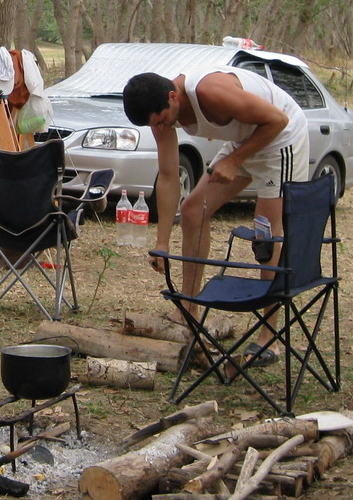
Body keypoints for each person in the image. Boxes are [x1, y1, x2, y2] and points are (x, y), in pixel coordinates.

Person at [122, 67, 308, 363]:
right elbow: (169, 176)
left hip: (280, 138)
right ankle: (189, 308)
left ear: (173, 97)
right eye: (154, 125)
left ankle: (269, 338)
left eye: (162, 120)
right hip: (246, 139)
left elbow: (278, 120)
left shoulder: (211, 92)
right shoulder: (162, 113)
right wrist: (162, 243)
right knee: (194, 211)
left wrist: (234, 161)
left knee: (266, 233)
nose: (162, 127)